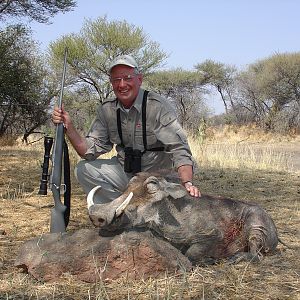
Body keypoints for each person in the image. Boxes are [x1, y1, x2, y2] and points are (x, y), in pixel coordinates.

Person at [52, 55, 200, 203]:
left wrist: (187, 183)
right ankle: (119, 215)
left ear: (139, 79)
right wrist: (69, 127)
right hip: (126, 173)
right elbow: (88, 151)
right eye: (116, 80)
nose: (122, 85)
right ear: (111, 83)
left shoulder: (157, 107)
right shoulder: (107, 109)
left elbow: (179, 148)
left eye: (127, 78)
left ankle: (139, 208)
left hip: (157, 178)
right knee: (84, 170)